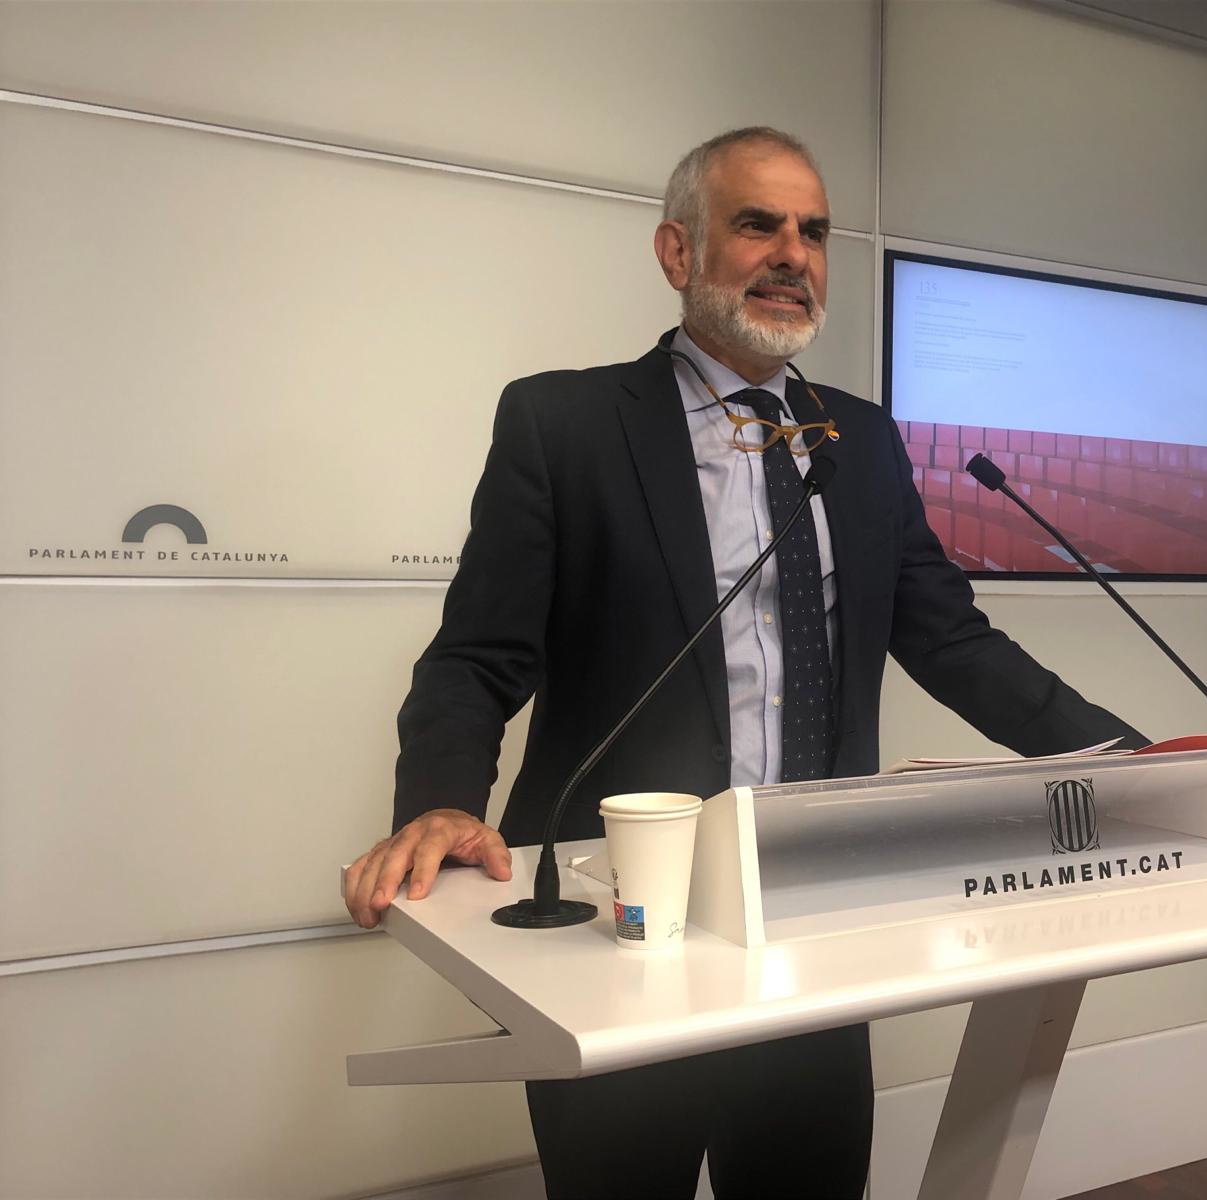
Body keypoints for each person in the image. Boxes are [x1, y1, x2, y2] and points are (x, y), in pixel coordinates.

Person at [343, 127, 1146, 1200]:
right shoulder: (564, 422)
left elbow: (952, 640)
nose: (792, 254)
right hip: (622, 917)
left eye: (813, 231)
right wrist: (441, 801)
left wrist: (1126, 760)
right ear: (678, 252)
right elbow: (479, 655)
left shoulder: (860, 438)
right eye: (757, 224)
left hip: (814, 904)